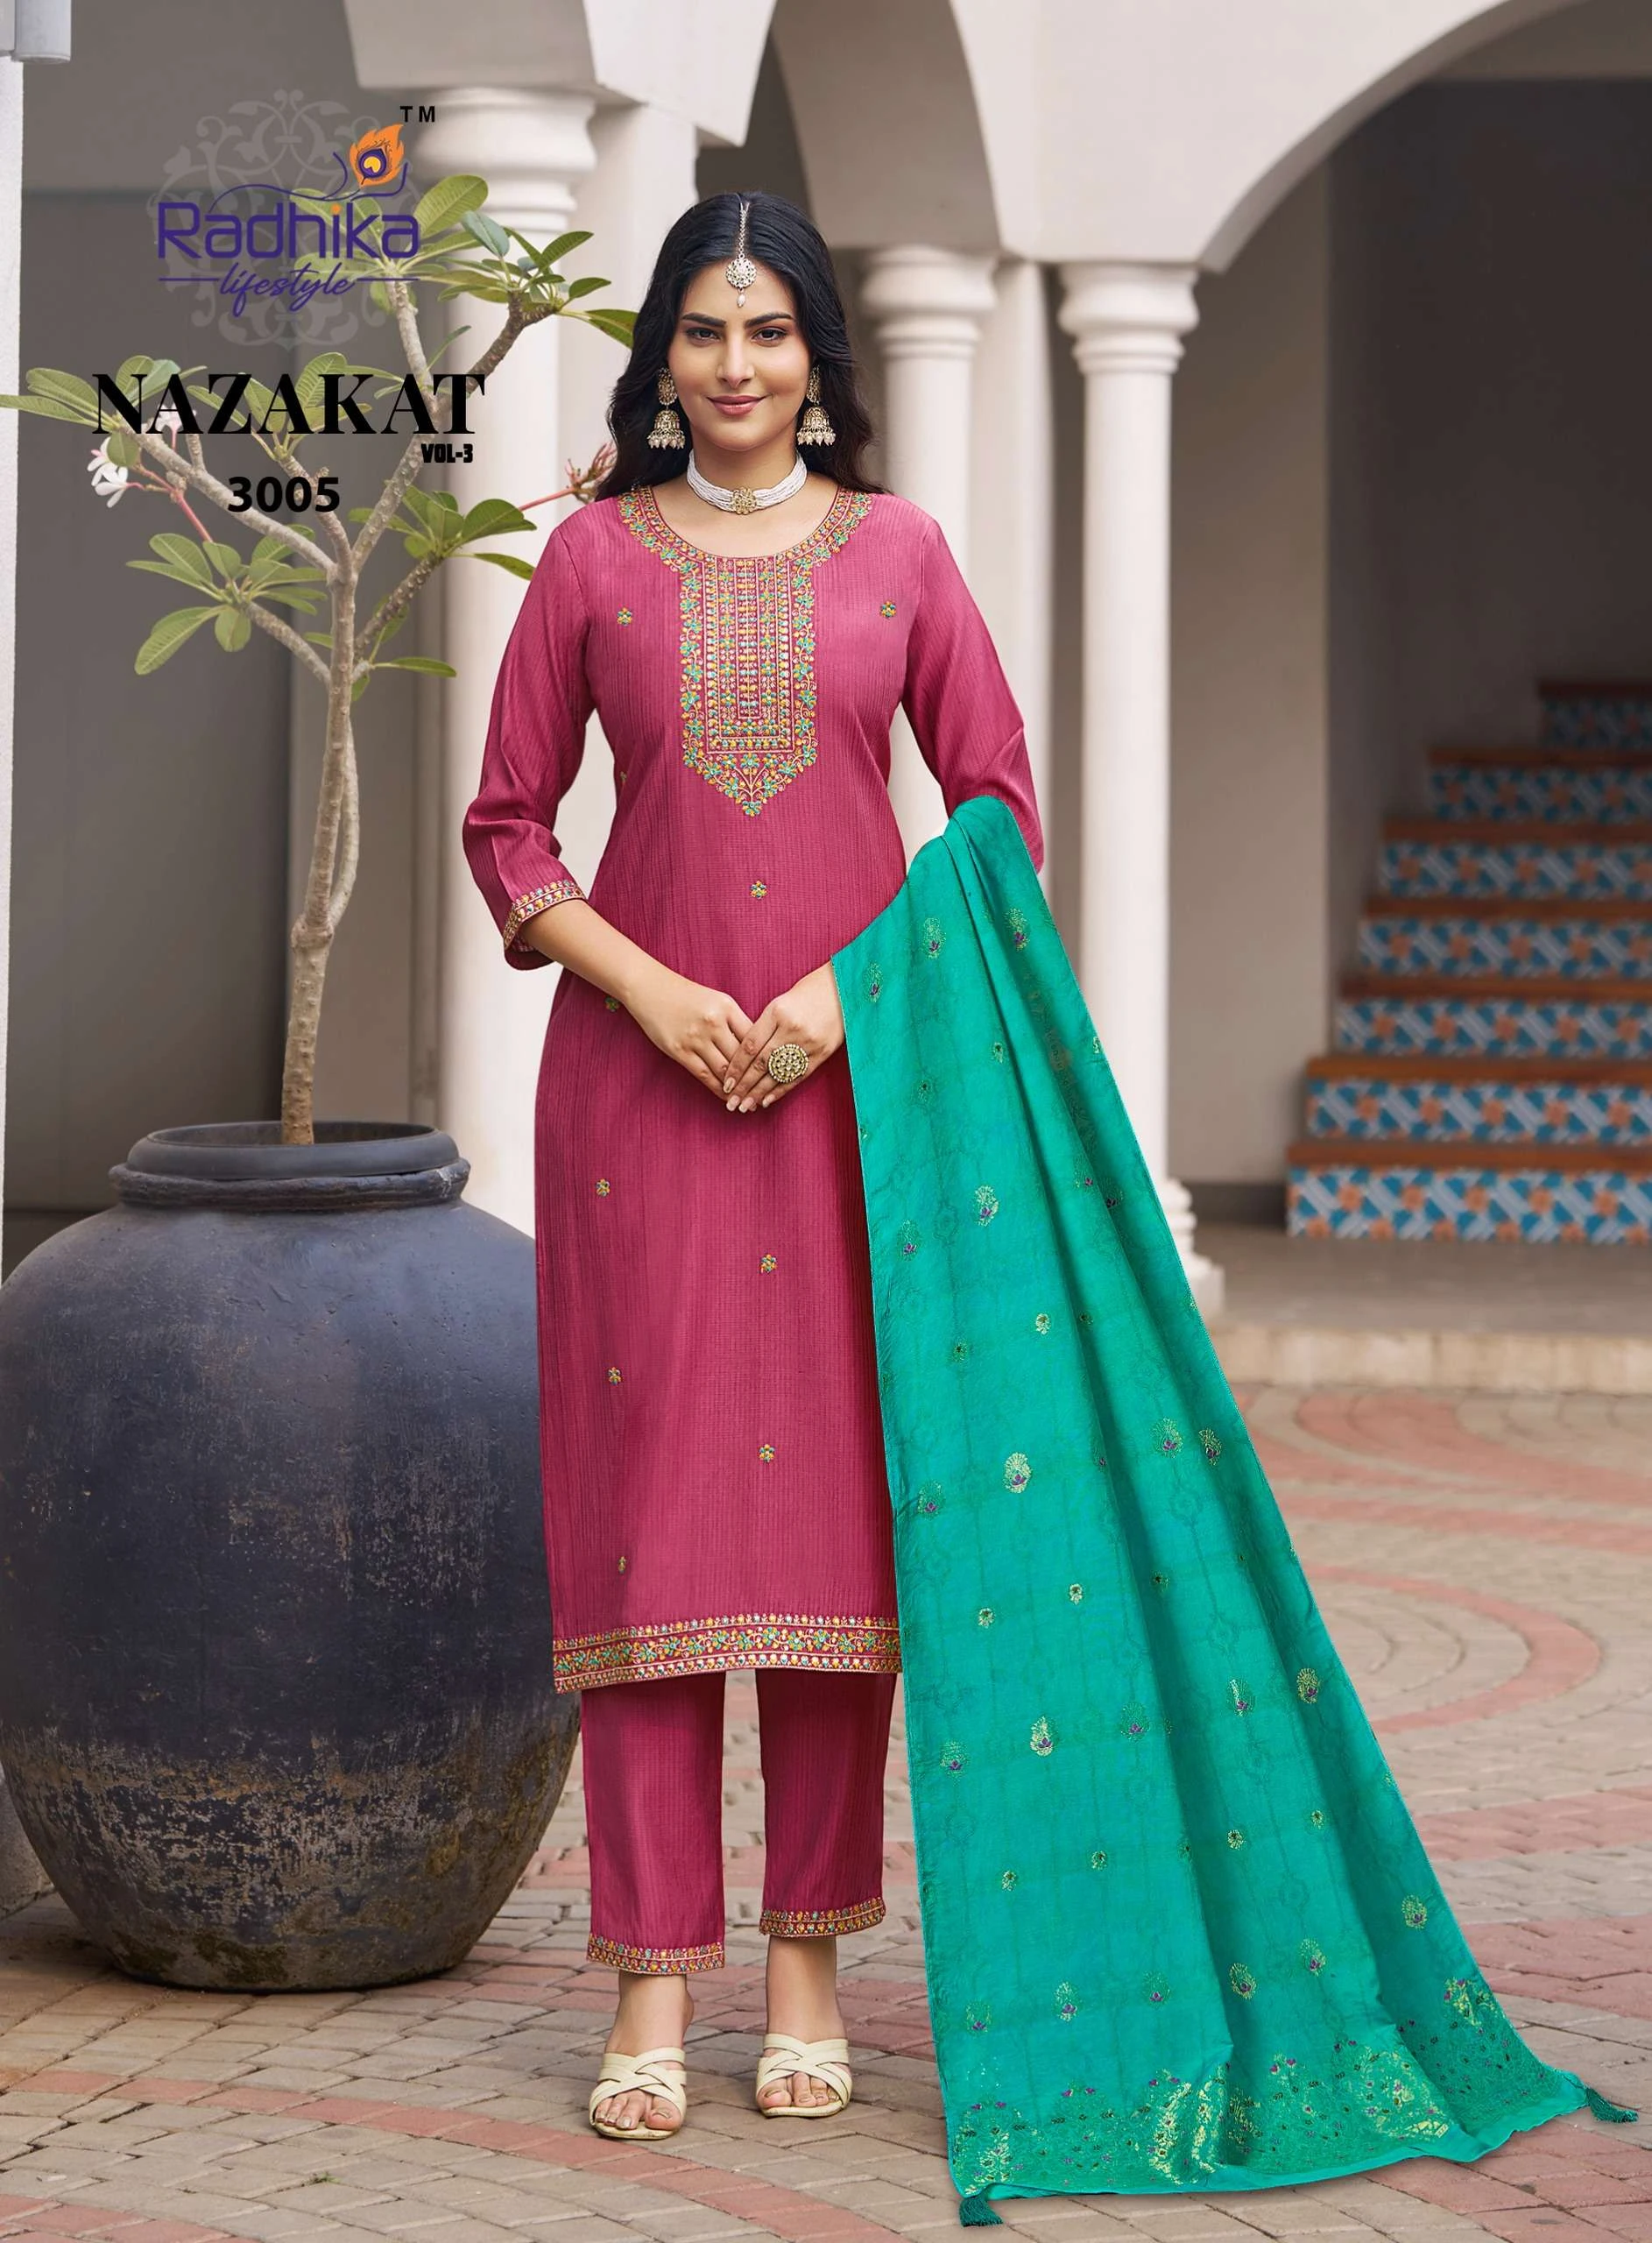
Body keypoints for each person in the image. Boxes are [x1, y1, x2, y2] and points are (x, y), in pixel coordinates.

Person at [461, 189, 1042, 2143]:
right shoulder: (589, 560)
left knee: (830, 1535)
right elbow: (509, 828)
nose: (734, 365)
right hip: (637, 1107)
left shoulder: (902, 554)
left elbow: (993, 812)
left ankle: (805, 1966)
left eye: (768, 330)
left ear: (816, 358)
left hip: (850, 1095)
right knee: (649, 1531)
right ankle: (648, 1977)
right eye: (703, 331)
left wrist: (839, 1000)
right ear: (661, 355)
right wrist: (646, 988)